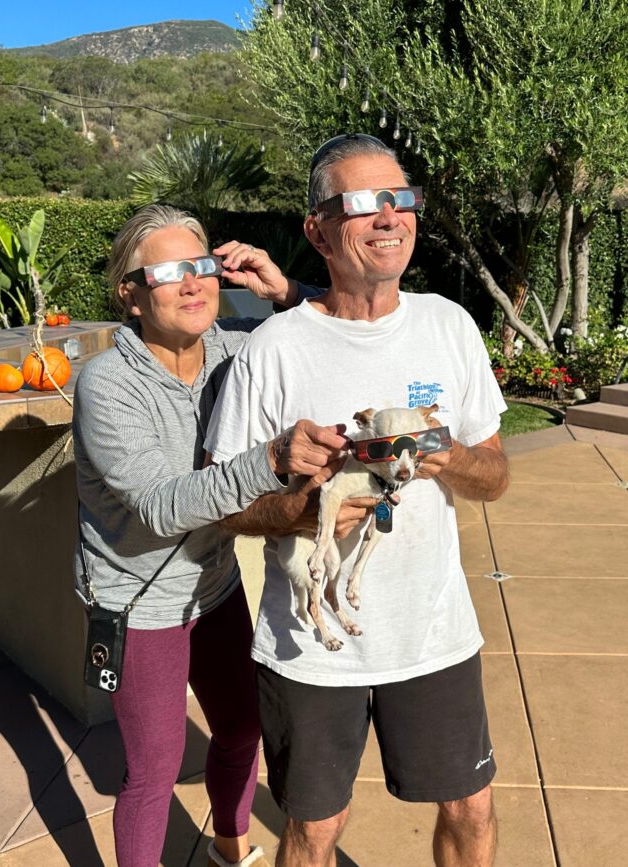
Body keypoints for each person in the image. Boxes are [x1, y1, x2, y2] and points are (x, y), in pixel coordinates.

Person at [204, 134, 510, 867]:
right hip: (311, 649)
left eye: (399, 199)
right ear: (317, 229)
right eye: (363, 203)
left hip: (433, 633)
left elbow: (494, 475)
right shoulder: (272, 350)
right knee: (314, 830)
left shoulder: (449, 326)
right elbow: (224, 507)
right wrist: (305, 509)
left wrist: (451, 457)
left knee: (472, 808)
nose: (387, 217)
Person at [72, 204, 362, 867]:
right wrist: (268, 460)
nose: (193, 282)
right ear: (131, 292)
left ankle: (229, 848)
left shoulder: (235, 347)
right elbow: (159, 505)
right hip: (136, 603)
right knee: (154, 767)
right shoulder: (107, 385)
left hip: (214, 583)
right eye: (169, 271)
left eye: (201, 265)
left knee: (239, 726)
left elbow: (342, 329)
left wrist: (283, 289)